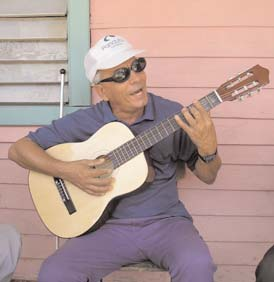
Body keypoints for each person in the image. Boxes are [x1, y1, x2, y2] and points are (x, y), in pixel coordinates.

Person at [8, 34, 222, 282]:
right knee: (55, 272)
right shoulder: (88, 121)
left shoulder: (173, 115)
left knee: (198, 266)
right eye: (122, 75)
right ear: (102, 90)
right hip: (107, 228)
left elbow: (209, 176)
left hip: (167, 223)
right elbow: (19, 150)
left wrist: (209, 150)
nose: (136, 79)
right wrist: (69, 171)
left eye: (137, 66)